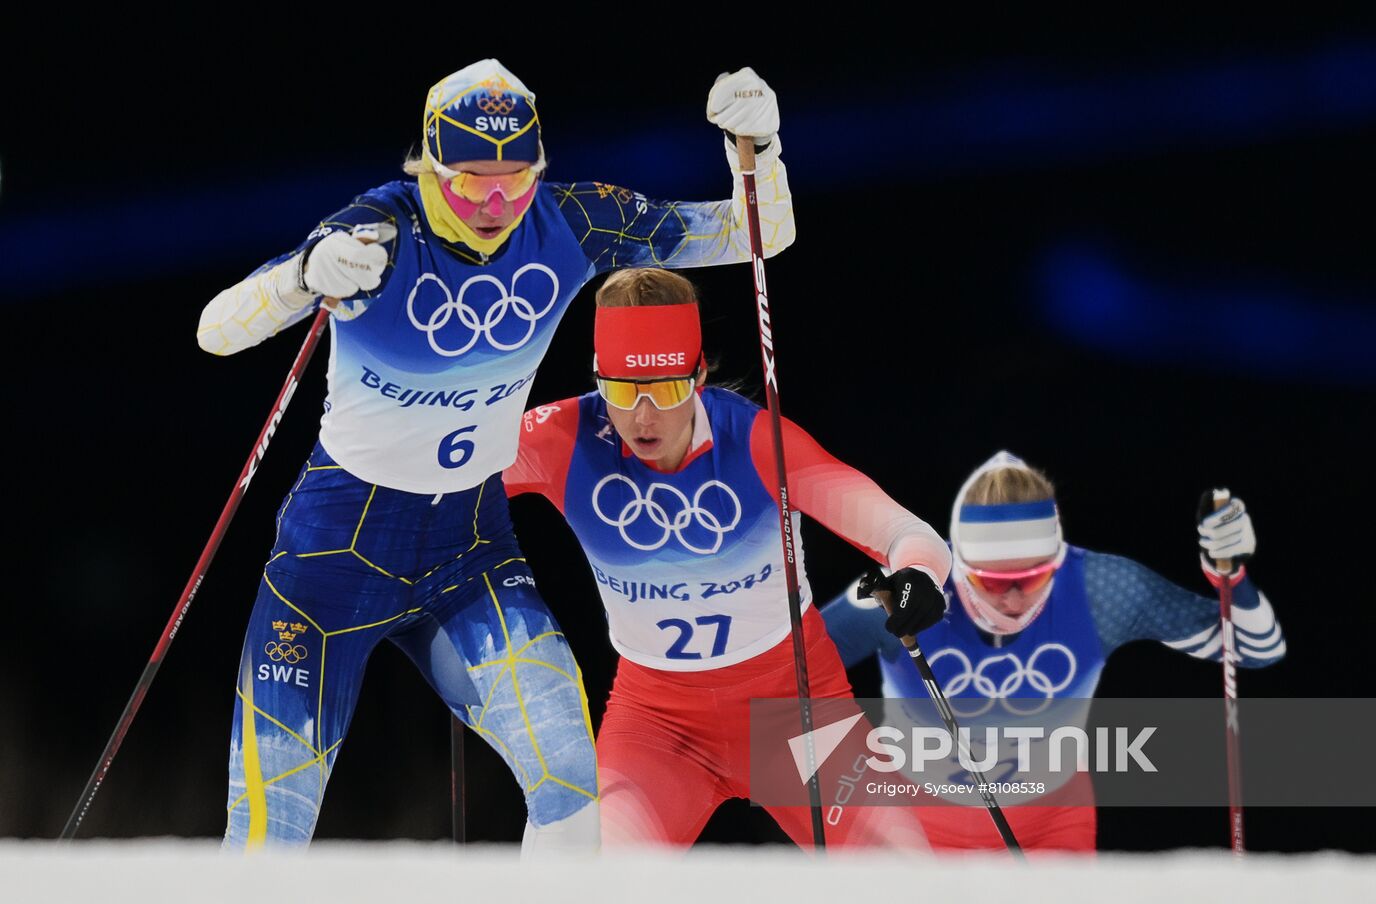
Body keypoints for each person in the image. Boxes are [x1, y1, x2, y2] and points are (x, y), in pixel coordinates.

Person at [197, 59, 795, 852]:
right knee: (267, 838)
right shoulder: (378, 232)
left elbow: (760, 235)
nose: (494, 206)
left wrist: (760, 150)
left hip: (469, 551)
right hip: (330, 562)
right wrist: (305, 275)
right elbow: (215, 330)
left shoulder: (569, 223)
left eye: (515, 182)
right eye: (470, 183)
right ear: (428, 167)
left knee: (572, 782)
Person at [503, 268, 949, 849]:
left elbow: (903, 532)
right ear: (597, 377)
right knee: (597, 873)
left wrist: (918, 574)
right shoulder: (564, 438)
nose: (643, 417)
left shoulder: (759, 442)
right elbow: (435, 471)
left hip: (795, 715)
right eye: (621, 391)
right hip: (657, 727)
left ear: (698, 376)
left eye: (666, 391)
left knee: (902, 870)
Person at [820, 451, 1286, 852]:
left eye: (1034, 577)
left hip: (1052, 830)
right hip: (911, 831)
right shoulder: (900, 594)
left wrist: (1232, 578)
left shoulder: (1103, 589)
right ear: (959, 567)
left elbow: (1256, 648)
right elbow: (791, 680)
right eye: (993, 583)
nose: (1014, 600)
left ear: (1057, 560)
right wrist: (843, 785)